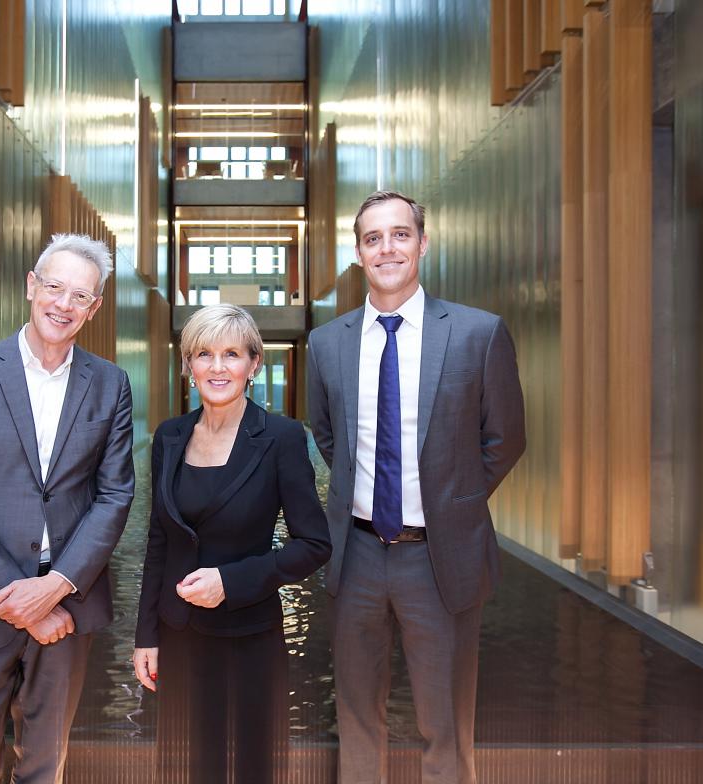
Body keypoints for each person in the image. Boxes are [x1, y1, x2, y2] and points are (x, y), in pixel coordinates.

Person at [306, 191, 526, 784]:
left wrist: (451, 501)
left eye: (400, 234)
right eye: (373, 238)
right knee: (355, 716)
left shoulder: (479, 334)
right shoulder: (328, 344)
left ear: (422, 244)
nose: (388, 248)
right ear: (358, 253)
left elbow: (504, 440)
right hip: (355, 557)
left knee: (445, 723)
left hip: (440, 556)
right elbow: (328, 437)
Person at [0, 233, 134, 783]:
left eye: (80, 296)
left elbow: (115, 495)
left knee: (45, 768)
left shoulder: (110, 384)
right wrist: (21, 601)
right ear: (30, 286)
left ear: (94, 309)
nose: (63, 304)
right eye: (55, 287)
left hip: (67, 608)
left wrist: (55, 586)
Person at [133, 304, 331, 784]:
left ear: (253, 364)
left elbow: (314, 544)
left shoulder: (281, 438)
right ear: (188, 364)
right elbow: (159, 541)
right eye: (204, 354)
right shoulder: (170, 437)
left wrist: (232, 580)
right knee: (186, 768)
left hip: (249, 635)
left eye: (231, 354)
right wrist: (146, 636)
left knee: (252, 767)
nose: (217, 367)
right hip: (179, 635)